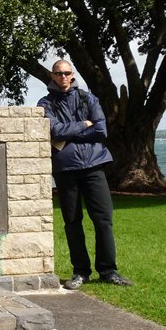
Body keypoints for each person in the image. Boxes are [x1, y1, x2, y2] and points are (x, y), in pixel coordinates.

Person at [38, 60, 133, 289]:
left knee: (103, 220)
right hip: (65, 169)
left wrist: (71, 132)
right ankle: (80, 271)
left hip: (94, 166)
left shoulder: (88, 98)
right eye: (58, 73)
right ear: (52, 75)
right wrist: (84, 124)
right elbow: (55, 130)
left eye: (67, 73)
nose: (63, 77)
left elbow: (100, 129)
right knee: (72, 222)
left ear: (73, 75)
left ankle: (108, 270)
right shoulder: (45, 103)